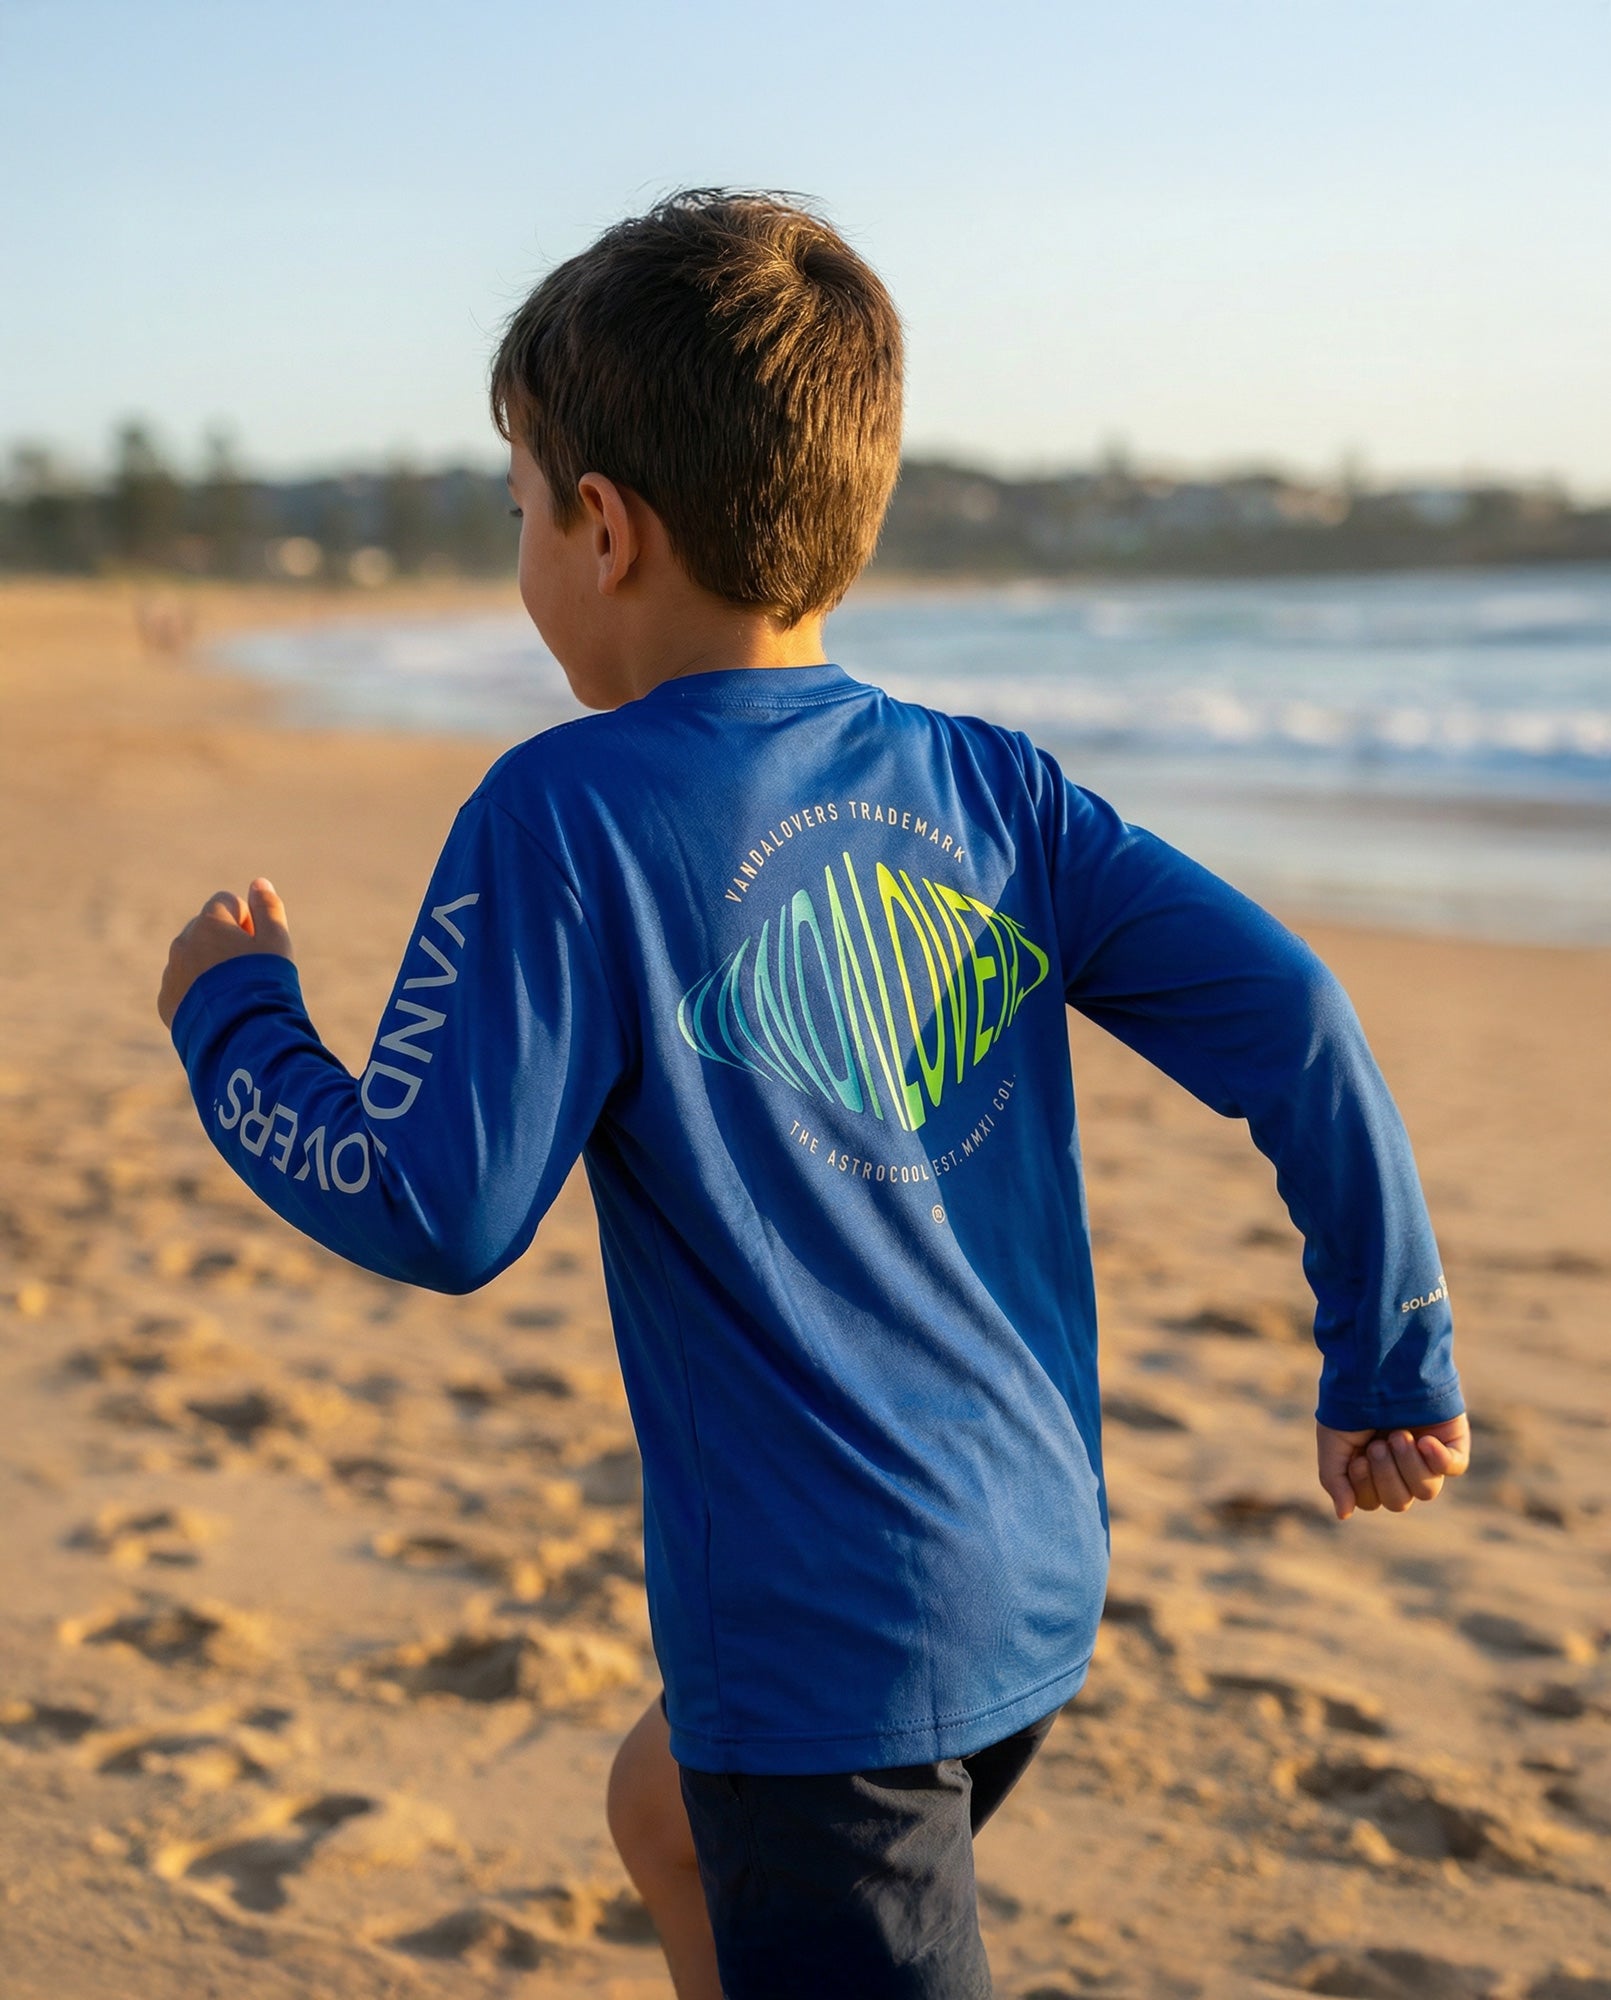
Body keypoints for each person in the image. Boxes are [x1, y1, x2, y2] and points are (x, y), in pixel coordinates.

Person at [157, 190, 1469, 2000]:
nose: (523, 550)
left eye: (518, 508)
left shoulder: (568, 812)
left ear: (603, 527)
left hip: (824, 1655)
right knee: (664, 1814)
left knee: (749, 1820)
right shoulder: (996, 789)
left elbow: (429, 1206)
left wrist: (233, 1021)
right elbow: (1298, 1015)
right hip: (1027, 1557)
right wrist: (1389, 1353)